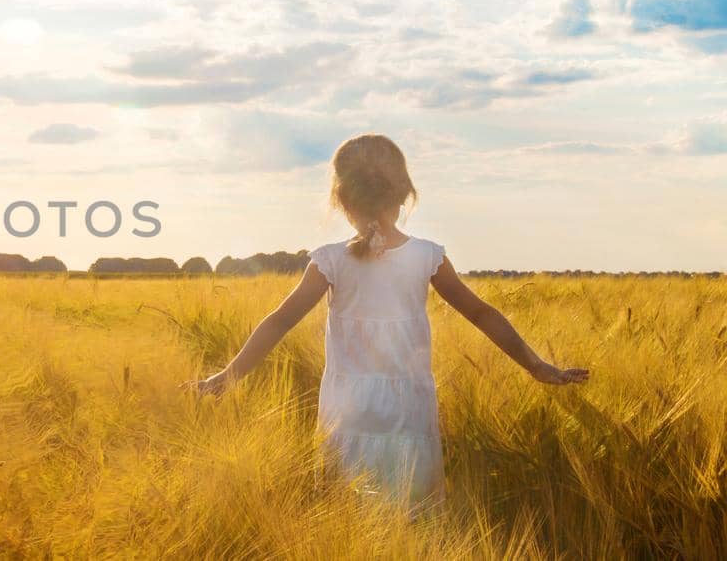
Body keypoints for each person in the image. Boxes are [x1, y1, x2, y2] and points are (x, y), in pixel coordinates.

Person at [185, 133, 590, 509]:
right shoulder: (427, 256)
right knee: (414, 515)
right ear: (404, 194)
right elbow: (482, 313)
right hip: (408, 413)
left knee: (344, 515)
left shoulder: (329, 260)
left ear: (341, 201)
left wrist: (227, 376)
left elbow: (279, 321)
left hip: (347, 413)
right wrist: (536, 365)